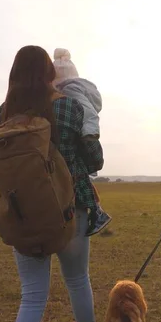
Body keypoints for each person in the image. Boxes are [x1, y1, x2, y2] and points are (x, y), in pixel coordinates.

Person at [0, 45, 103, 322]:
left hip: (22, 210)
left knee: (31, 296)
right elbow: (95, 160)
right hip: (70, 207)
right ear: (49, 73)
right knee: (78, 281)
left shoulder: (3, 114)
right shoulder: (68, 106)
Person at [51, 47, 112, 236]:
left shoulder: (69, 92)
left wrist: (90, 136)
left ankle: (97, 212)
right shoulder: (77, 91)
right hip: (75, 178)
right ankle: (97, 212)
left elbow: (89, 116)